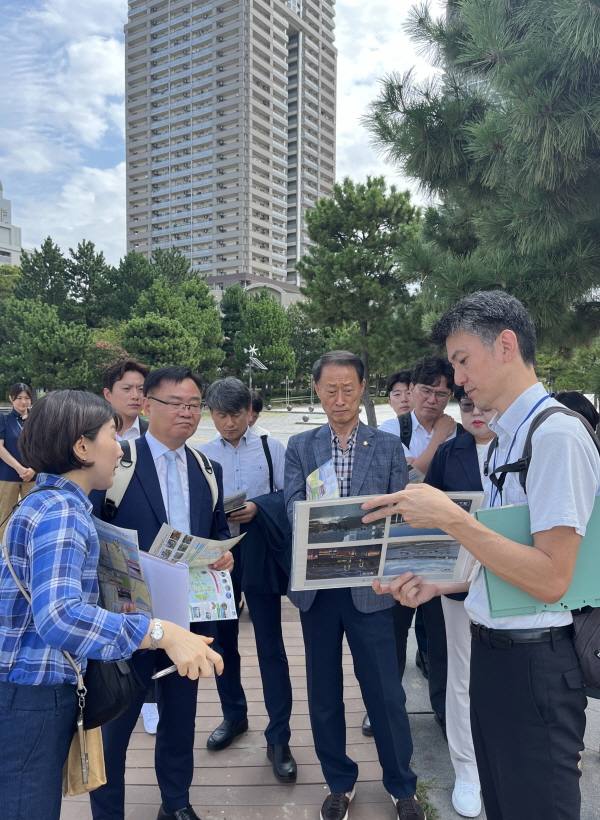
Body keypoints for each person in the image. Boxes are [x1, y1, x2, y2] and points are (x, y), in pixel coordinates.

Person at [365, 290, 600, 820]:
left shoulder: (557, 435)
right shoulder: (504, 440)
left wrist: (450, 516)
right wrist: (440, 584)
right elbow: (505, 557)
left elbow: (551, 578)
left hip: (536, 663)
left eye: (463, 360)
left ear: (507, 346)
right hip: (494, 654)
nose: (457, 380)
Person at [0, 390, 223, 820]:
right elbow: (60, 615)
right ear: (81, 448)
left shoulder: (43, 501)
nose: (120, 447)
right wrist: (162, 632)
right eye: (110, 434)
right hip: (33, 697)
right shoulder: (63, 513)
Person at [89, 366, 234, 820]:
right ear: (147, 405)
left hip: (187, 620)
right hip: (126, 618)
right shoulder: (118, 460)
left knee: (179, 719)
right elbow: (89, 532)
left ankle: (176, 803)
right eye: (177, 403)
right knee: (114, 724)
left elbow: (217, 532)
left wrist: (224, 556)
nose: (188, 413)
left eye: (194, 404)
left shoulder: (207, 467)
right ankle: (107, 811)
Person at [285, 350, 425, 820]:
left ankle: (401, 785)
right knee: (323, 692)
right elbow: (293, 507)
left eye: (348, 389)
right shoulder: (301, 446)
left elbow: (401, 508)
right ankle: (338, 782)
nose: (339, 399)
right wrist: (334, 528)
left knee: (385, 691)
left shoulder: (385, 446)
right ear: (317, 390)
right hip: (319, 589)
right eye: (330, 389)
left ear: (364, 388)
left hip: (373, 588)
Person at [198, 378, 296, 783]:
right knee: (223, 641)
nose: (227, 423)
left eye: (235, 414)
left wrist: (259, 506)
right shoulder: (201, 454)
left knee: (270, 643)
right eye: (219, 415)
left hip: (260, 550)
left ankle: (279, 736)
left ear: (249, 412)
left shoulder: (274, 449)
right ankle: (233, 715)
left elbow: (292, 496)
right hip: (220, 552)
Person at [422, 385, 497, 818]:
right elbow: (428, 519)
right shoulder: (450, 454)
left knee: (509, 677)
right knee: (463, 677)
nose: (476, 412)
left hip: (516, 582)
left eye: (485, 405)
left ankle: (499, 759)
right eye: (467, 405)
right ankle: (466, 770)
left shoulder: (519, 445)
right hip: (459, 586)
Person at [0, 383, 36, 540]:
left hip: (33, 475)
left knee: (32, 516)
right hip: (8, 475)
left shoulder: (36, 420)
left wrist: (33, 468)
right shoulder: (4, 419)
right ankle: (3, 552)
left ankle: (27, 547)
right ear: (11, 398)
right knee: (5, 515)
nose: (23, 402)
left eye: (27, 398)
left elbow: (42, 446)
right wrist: (19, 468)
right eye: (19, 398)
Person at [102, 358, 151, 441]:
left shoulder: (153, 435)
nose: (135, 396)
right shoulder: (91, 432)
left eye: (141, 389)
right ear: (108, 394)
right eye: (126, 388)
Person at [378, 370, 413, 435]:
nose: (404, 399)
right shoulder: (385, 431)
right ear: (390, 401)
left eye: (409, 393)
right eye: (397, 394)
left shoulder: (432, 429)